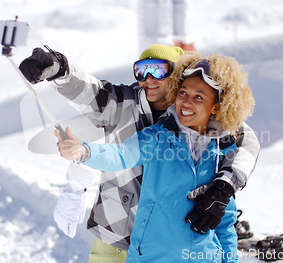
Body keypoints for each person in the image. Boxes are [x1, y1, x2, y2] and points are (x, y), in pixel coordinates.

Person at [19, 44, 260, 262]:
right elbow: (88, 92)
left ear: (176, 75)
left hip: (168, 242)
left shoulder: (207, 121)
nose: (147, 79)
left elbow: (246, 142)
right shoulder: (123, 104)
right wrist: (59, 67)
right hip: (115, 231)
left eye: (156, 70)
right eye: (141, 70)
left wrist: (225, 185)